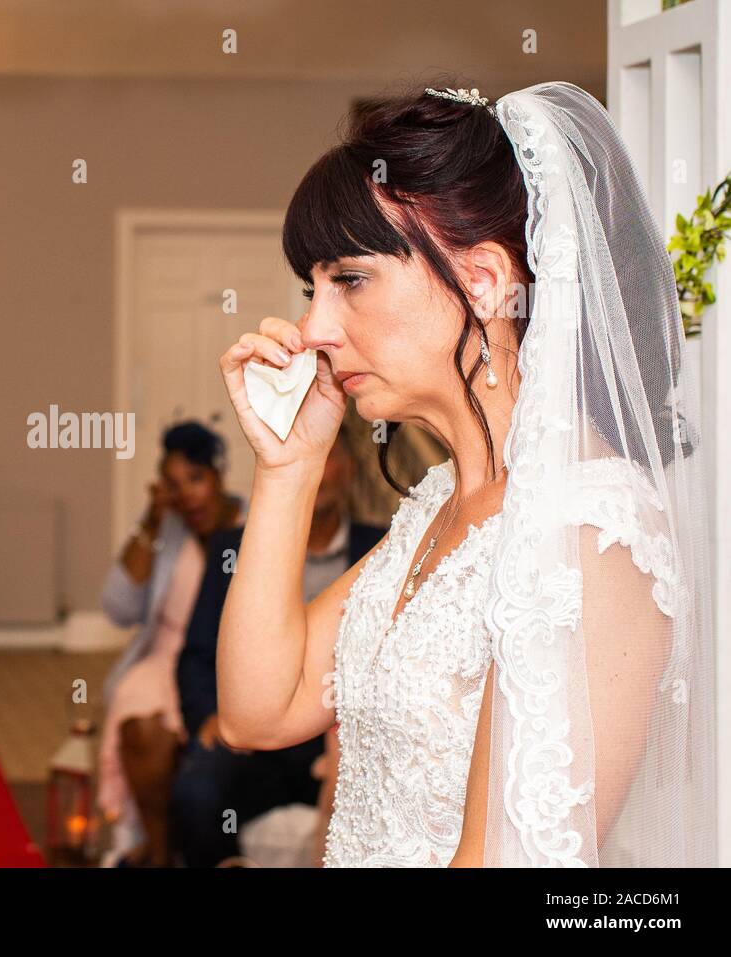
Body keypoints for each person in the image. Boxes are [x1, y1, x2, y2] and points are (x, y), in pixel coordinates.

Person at [216, 81, 714, 867]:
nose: (313, 328)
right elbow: (258, 711)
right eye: (311, 290)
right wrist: (288, 467)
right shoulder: (439, 504)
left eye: (349, 279)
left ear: (482, 280)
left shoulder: (588, 529)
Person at [171, 427, 382, 867]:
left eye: (331, 458)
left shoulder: (382, 545)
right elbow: (196, 654)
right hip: (257, 743)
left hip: (346, 742)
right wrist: (209, 716)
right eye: (313, 457)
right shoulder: (234, 547)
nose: (320, 473)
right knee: (197, 791)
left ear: (349, 469)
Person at [97, 421, 245, 867]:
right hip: (164, 656)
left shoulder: (254, 522)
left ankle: (186, 845)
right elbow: (117, 608)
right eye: (175, 485)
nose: (189, 496)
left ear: (218, 476)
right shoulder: (167, 530)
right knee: (138, 714)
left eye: (196, 479)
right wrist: (151, 520)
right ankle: (158, 852)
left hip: (227, 661)